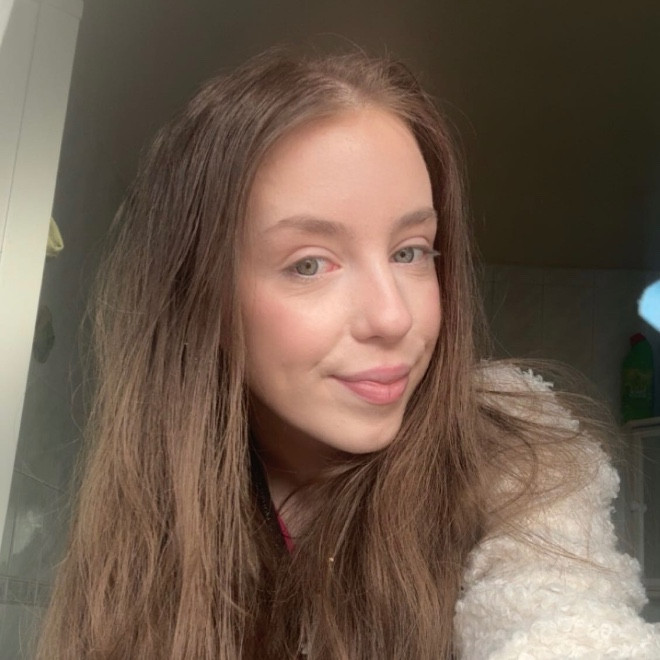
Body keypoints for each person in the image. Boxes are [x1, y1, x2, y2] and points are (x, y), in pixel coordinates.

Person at [36, 45, 660, 659]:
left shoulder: (514, 451)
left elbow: (559, 611)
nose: (393, 317)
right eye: (310, 264)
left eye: (410, 251)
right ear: (201, 297)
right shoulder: (145, 526)